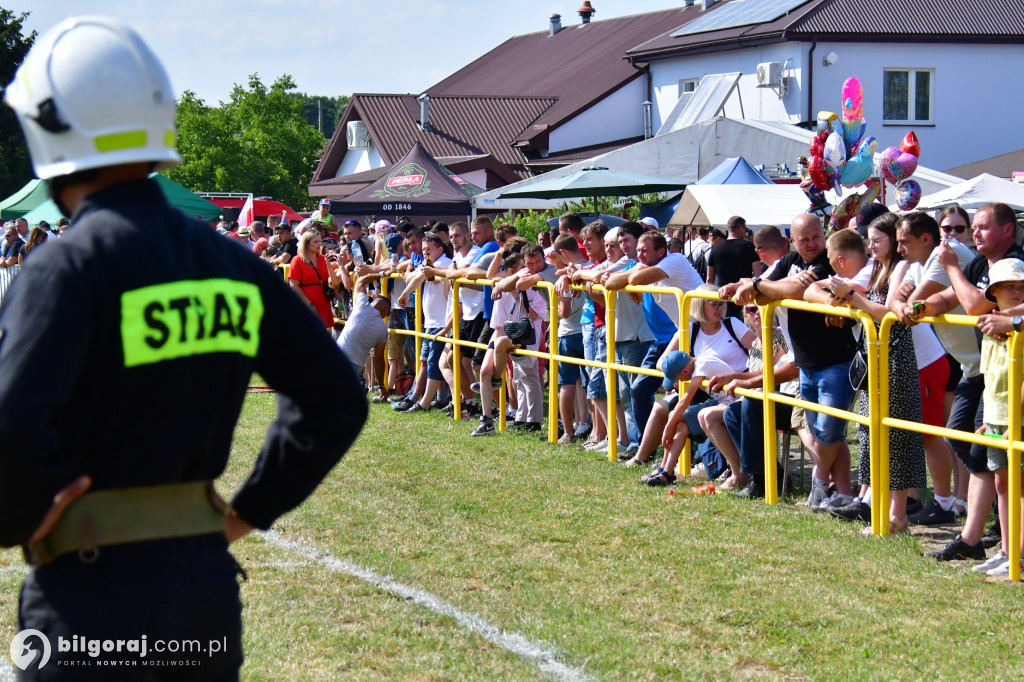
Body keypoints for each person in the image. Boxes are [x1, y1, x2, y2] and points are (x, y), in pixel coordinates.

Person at [0, 16, 366, 678]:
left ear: (46, 127)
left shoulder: (63, 269)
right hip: (202, 594)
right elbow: (334, 396)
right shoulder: (230, 264)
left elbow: (12, 428)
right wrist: (247, 511)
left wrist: (17, 516)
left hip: (88, 599)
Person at [912, 203, 1024, 562]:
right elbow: (952, 297)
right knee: (976, 448)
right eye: (965, 228)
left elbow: (976, 304)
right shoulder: (978, 263)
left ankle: (994, 539)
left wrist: (950, 267)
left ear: (1009, 231)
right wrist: (920, 308)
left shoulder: (1015, 263)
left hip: (1010, 379)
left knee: (999, 464)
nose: (969, 235)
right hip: (986, 374)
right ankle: (985, 538)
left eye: (976, 228)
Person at [728, 213, 858, 510]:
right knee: (827, 433)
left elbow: (795, 290)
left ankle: (820, 481)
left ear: (824, 235)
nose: (812, 244)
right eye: (804, 239)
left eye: (816, 237)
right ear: (793, 241)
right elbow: (757, 293)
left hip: (836, 360)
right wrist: (769, 286)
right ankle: (841, 494)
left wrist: (768, 286)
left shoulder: (830, 260)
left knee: (828, 431)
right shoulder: (789, 262)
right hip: (806, 363)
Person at [817, 222, 927, 534]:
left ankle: (897, 516)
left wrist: (849, 295)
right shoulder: (876, 268)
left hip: (895, 355)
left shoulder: (902, 266)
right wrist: (841, 301)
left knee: (895, 438)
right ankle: (881, 509)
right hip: (873, 356)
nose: (872, 246)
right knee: (871, 434)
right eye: (869, 241)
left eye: (878, 241)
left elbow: (886, 312)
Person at [971, 258, 1024, 576]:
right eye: (1009, 286)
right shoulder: (991, 325)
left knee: (1020, 487)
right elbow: (993, 376)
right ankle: (1007, 551)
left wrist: (1017, 419)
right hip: (997, 417)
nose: (1017, 291)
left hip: (1018, 420)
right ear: (993, 291)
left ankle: (1019, 556)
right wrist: (990, 418)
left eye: (1022, 286)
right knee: (1003, 484)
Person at [289, 229, 341, 330]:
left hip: (323, 302)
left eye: (319, 241)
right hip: (305, 303)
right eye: (315, 241)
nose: (319, 244)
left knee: (325, 336)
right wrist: (309, 304)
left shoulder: (323, 259)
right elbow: (293, 286)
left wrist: (331, 265)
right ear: (307, 244)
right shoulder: (297, 260)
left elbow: (331, 281)